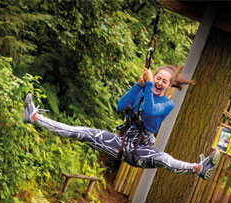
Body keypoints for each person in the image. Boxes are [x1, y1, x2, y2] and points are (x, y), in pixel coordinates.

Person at [23, 65, 220, 180]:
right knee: (80, 132)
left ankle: (198, 168)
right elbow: (120, 105)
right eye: (158, 78)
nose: (159, 83)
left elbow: (151, 111)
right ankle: (34, 117)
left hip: (141, 150)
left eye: (164, 81)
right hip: (120, 144)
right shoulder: (143, 91)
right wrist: (139, 85)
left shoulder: (167, 103)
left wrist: (149, 84)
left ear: (169, 86)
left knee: (164, 159)